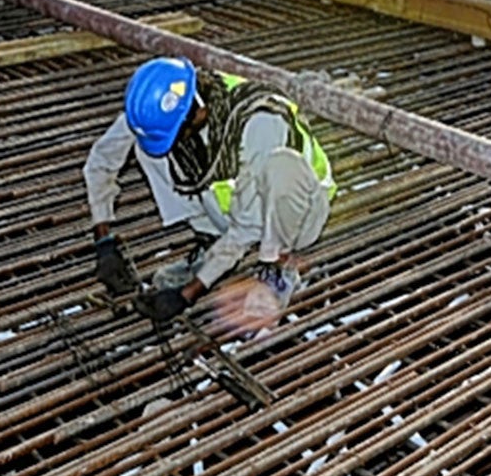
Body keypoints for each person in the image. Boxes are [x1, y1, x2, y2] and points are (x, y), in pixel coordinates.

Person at [85, 58, 333, 331]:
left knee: (281, 167)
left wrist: (187, 294)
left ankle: (277, 269)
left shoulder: (260, 121)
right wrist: (104, 241)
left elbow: (248, 226)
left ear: (198, 113)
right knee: (153, 148)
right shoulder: (165, 108)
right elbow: (102, 161)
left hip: (299, 212)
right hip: (237, 206)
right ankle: (209, 241)